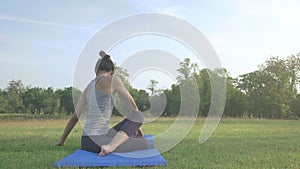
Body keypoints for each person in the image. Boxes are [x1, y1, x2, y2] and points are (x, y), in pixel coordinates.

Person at [55, 51, 150, 156]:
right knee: (141, 126)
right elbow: (133, 107)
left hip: (86, 142)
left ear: (96, 70)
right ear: (112, 71)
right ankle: (110, 146)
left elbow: (74, 117)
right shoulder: (113, 80)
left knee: (132, 124)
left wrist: (62, 140)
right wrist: (136, 125)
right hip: (99, 141)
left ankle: (112, 143)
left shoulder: (89, 87)